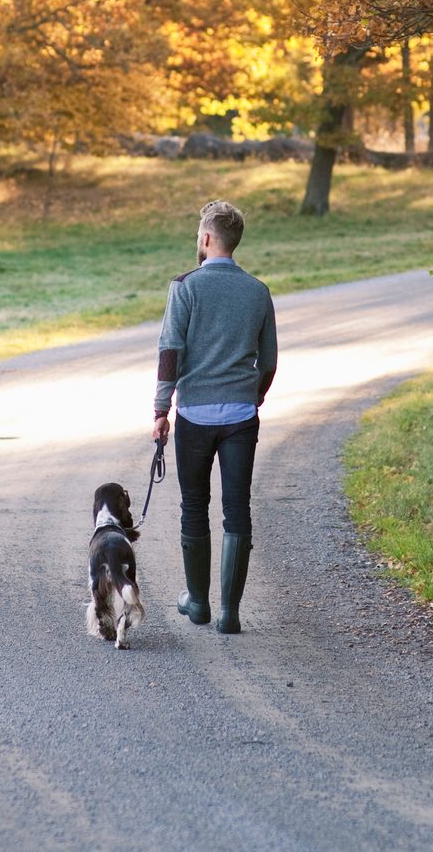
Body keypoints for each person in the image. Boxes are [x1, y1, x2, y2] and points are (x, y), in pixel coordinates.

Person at [151, 199, 277, 634]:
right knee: (237, 509)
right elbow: (270, 362)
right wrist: (251, 398)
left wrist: (161, 409)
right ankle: (230, 613)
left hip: (195, 417)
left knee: (194, 506)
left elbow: (171, 351)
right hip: (241, 415)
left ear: (205, 239)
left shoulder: (184, 286)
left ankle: (199, 602)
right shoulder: (258, 291)